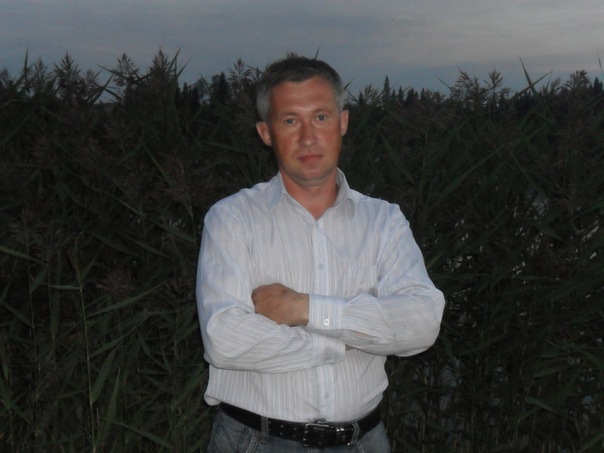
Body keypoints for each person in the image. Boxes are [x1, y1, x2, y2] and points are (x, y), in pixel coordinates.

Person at [196, 55, 445, 452]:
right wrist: (343, 341)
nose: (308, 137)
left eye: (321, 117)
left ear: (343, 122)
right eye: (290, 121)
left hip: (364, 441)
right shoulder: (232, 219)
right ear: (265, 133)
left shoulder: (384, 221)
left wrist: (306, 309)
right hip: (256, 441)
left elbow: (422, 323)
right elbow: (224, 340)